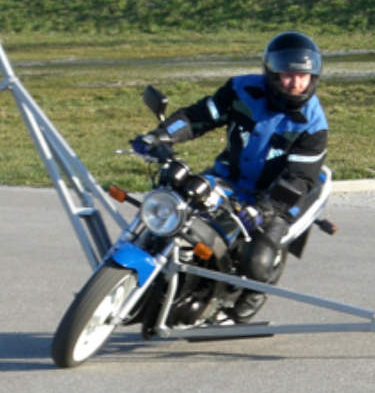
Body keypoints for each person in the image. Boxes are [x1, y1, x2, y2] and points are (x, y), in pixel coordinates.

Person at [131, 31, 329, 322]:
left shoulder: (313, 124)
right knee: (174, 205)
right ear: (272, 71)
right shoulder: (241, 89)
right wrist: (159, 137)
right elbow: (201, 116)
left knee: (257, 258)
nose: (296, 83)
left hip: (273, 197)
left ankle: (251, 296)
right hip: (227, 179)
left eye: (304, 76)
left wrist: (265, 209)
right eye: (288, 74)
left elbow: (299, 179)